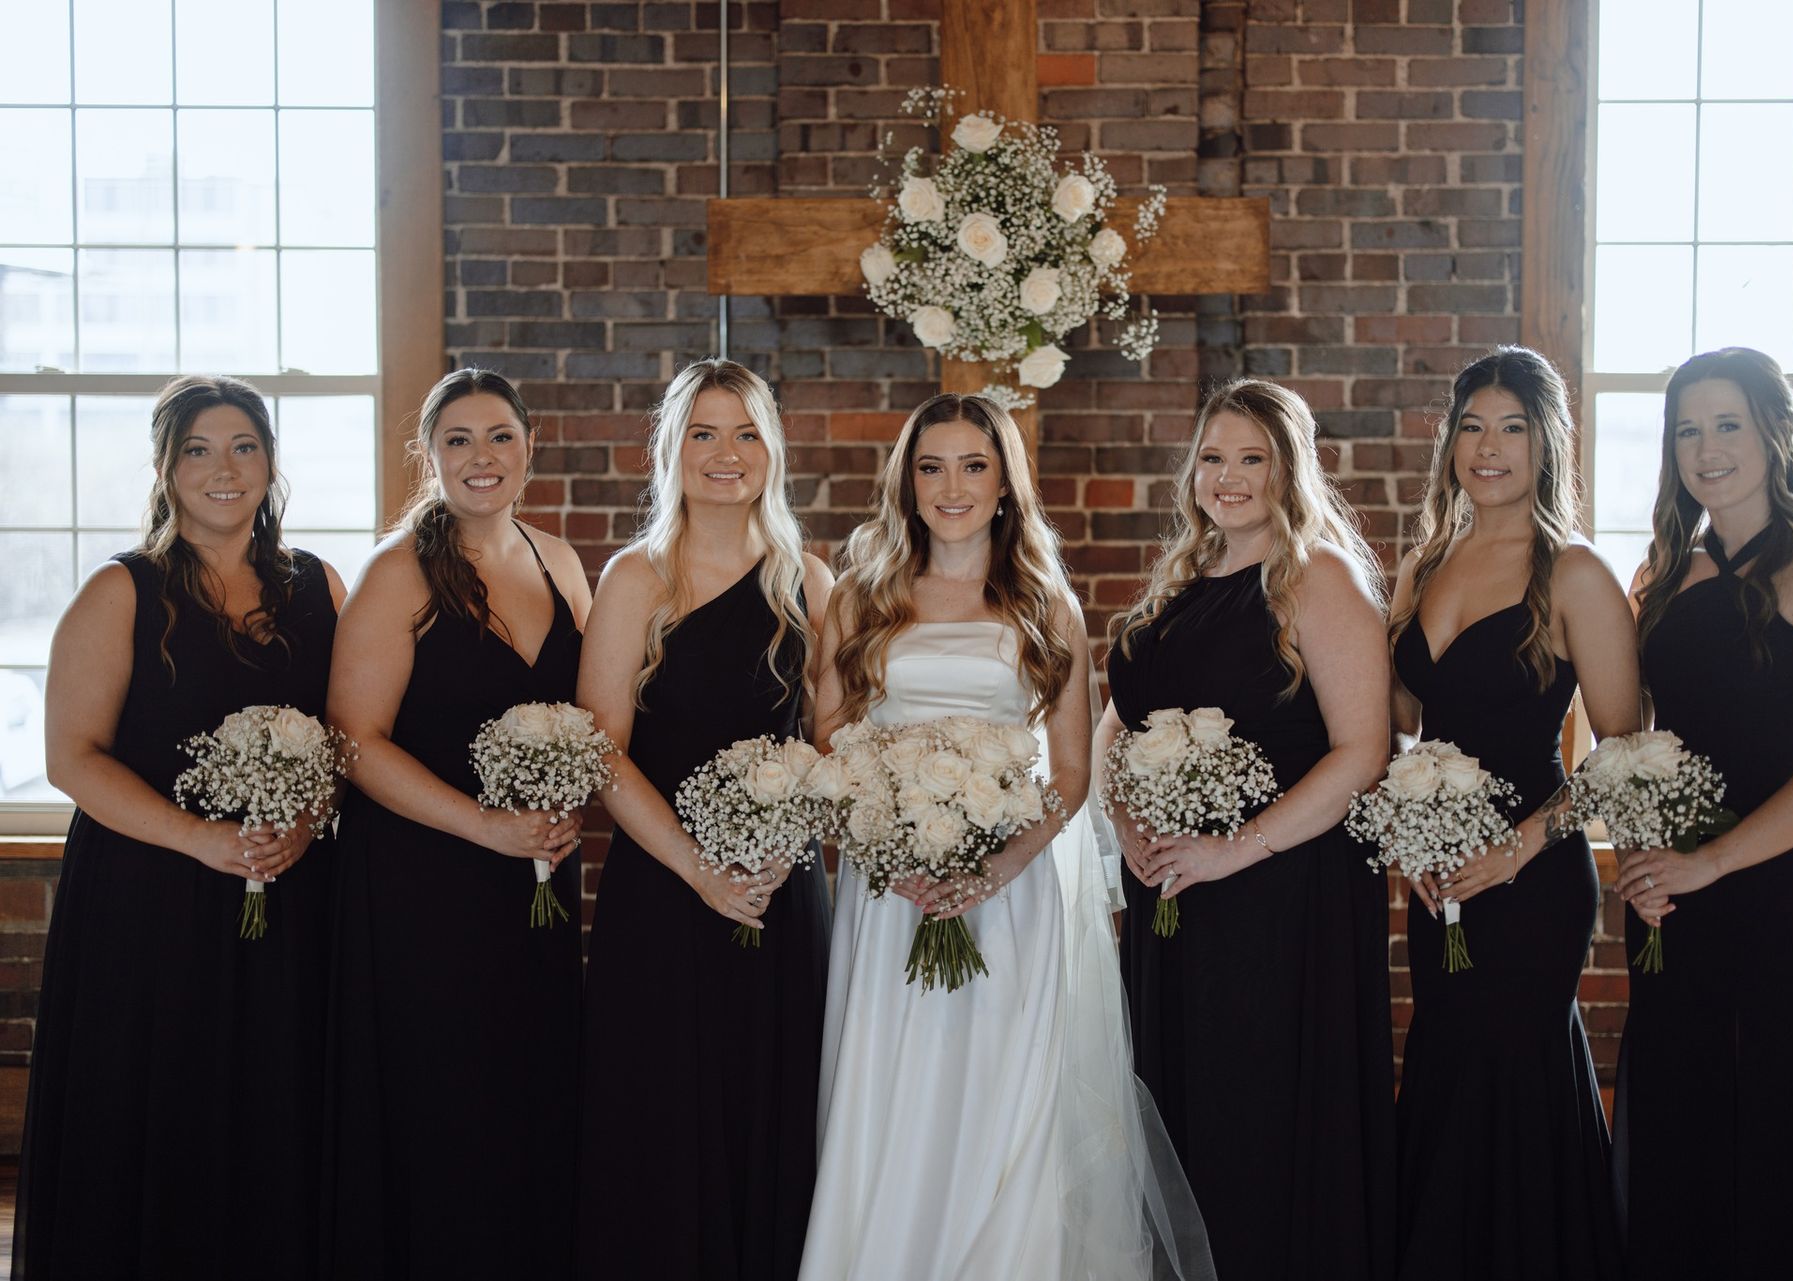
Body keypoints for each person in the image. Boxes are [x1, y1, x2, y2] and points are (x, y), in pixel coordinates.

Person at [800, 393, 1211, 1281]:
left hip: (1010, 893)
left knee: (999, 1101)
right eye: (932, 466)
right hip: (891, 890)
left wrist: (993, 867)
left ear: (1004, 485)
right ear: (906, 483)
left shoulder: (1043, 604)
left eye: (974, 466)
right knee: (896, 1091)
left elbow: (1069, 774)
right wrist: (895, 838)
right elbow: (830, 739)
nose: (953, 486)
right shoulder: (862, 597)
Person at [15, 376, 346, 1278]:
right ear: (166, 469)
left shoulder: (319, 586)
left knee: (270, 1113)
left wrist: (307, 822)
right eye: (198, 449)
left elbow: (348, 737)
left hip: (287, 899)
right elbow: (72, 758)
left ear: (271, 463)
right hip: (148, 906)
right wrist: (201, 839)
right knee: (160, 1115)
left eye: (243, 445)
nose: (223, 468)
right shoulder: (120, 590)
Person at [1097, 377, 1395, 1280]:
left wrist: (1235, 847)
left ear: (1288, 470)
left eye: (1252, 458)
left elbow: (1361, 751)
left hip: (1280, 896)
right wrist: (1126, 822)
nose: (1228, 477)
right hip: (1173, 892)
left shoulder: (1317, 579)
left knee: (1255, 1106)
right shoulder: (1181, 582)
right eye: (1213, 457)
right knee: (1179, 1096)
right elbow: (1117, 729)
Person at [1614, 347, 1793, 1279]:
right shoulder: (1656, 581)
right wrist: (1643, 861)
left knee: (1780, 1130)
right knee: (1680, 1119)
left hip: (1787, 895)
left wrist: (1712, 861)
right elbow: (1631, 745)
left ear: (1773, 432)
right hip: (1674, 902)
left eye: (1727, 423)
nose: (1707, 447)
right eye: (1688, 429)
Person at [323, 368, 591, 1279]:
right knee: (441, 1099)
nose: (484, 458)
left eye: (501, 437)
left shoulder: (560, 559)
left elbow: (595, 717)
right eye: (460, 441)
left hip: (538, 881)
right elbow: (354, 740)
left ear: (530, 447)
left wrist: (567, 805)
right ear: (430, 456)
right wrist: (488, 828)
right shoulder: (398, 569)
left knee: (528, 1087)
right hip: (422, 883)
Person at [574, 359, 833, 1279]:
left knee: (772, 1107)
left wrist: (775, 849)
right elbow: (604, 750)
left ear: (773, 451)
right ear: (672, 450)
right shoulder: (635, 577)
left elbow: (834, 739)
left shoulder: (809, 581)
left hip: (779, 888)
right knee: (663, 1119)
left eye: (747, 433)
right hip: (664, 892)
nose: (727, 454)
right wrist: (700, 869)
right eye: (704, 433)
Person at [1387, 348, 1634, 1280]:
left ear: (1547, 443)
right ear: (1452, 442)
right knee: (1447, 1064)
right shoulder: (1424, 566)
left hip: (1531, 880)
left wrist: (1517, 848)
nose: (1488, 447)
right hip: (1440, 872)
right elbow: (1406, 723)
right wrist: (1414, 829)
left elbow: (1622, 750)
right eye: (1473, 427)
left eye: (1513, 427)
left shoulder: (1573, 573)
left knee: (1512, 1068)